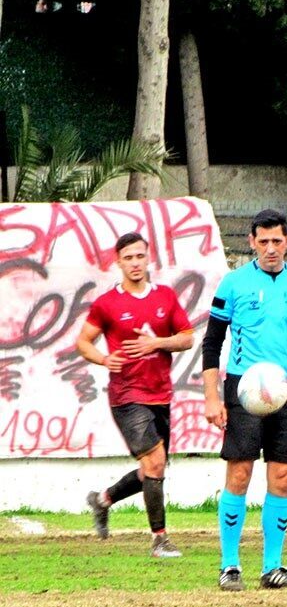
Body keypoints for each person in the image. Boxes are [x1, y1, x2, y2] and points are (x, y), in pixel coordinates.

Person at [202, 209, 287, 592]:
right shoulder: (233, 284)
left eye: (277, 241)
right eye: (263, 241)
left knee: (283, 476)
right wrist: (212, 398)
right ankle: (229, 566)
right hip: (244, 389)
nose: (270, 248)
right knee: (240, 473)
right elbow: (211, 343)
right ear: (252, 242)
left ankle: (273, 568)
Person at [78, 232, 194, 558]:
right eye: (128, 257)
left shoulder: (165, 297)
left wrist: (157, 342)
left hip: (161, 394)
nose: (135, 263)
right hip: (127, 395)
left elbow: (187, 337)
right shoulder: (107, 304)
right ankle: (160, 540)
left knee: (151, 470)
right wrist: (103, 359)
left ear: (148, 258)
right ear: (118, 262)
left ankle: (102, 500)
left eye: (140, 256)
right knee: (155, 464)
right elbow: (83, 341)